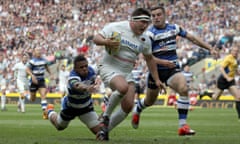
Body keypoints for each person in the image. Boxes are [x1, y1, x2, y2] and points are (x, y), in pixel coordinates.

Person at [132, 6, 217, 136]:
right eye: (153, 16)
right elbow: (147, 57)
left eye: (159, 14)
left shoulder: (174, 28)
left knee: (183, 88)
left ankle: (182, 126)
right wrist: (162, 63)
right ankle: (138, 108)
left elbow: (192, 38)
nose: (156, 18)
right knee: (150, 101)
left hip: (172, 69)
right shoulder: (149, 34)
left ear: (165, 15)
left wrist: (210, 48)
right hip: (156, 72)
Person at [93, 8, 164, 141]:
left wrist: (157, 79)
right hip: (109, 67)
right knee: (123, 87)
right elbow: (96, 38)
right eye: (142, 22)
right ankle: (105, 117)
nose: (144, 26)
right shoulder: (116, 27)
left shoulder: (145, 39)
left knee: (128, 106)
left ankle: (104, 131)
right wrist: (106, 42)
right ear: (133, 20)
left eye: (147, 23)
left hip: (126, 72)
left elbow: (150, 59)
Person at [45, 54, 102, 136]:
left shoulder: (92, 71)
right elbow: (77, 85)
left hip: (86, 107)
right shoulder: (73, 76)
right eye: (81, 67)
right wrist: (87, 88)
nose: (85, 69)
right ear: (75, 68)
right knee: (59, 126)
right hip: (70, 107)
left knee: (101, 133)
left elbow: (101, 70)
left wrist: (98, 80)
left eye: (86, 66)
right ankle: (50, 111)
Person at [212, 46, 240, 119]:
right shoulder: (228, 58)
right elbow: (221, 68)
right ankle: (207, 94)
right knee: (215, 98)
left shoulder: (236, 59)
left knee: (238, 97)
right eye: (234, 51)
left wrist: (238, 73)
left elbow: (234, 68)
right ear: (231, 51)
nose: (235, 52)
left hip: (231, 80)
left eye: (237, 51)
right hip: (223, 80)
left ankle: (239, 117)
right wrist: (227, 77)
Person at [26, 47, 53, 119]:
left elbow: (47, 67)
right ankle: (27, 95)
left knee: (43, 95)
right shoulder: (32, 61)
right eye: (37, 50)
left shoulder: (44, 60)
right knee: (32, 99)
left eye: (40, 50)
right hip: (34, 81)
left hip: (41, 80)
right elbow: (27, 69)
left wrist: (51, 74)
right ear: (34, 52)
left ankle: (45, 112)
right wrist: (32, 76)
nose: (39, 51)